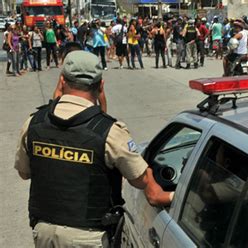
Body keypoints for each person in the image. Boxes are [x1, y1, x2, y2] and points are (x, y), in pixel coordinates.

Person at [14, 51, 173, 247]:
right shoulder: (110, 132)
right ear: (101, 86)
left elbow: (24, 172)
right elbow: (140, 181)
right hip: (87, 237)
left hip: (44, 233)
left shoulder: (34, 123)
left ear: (62, 81)